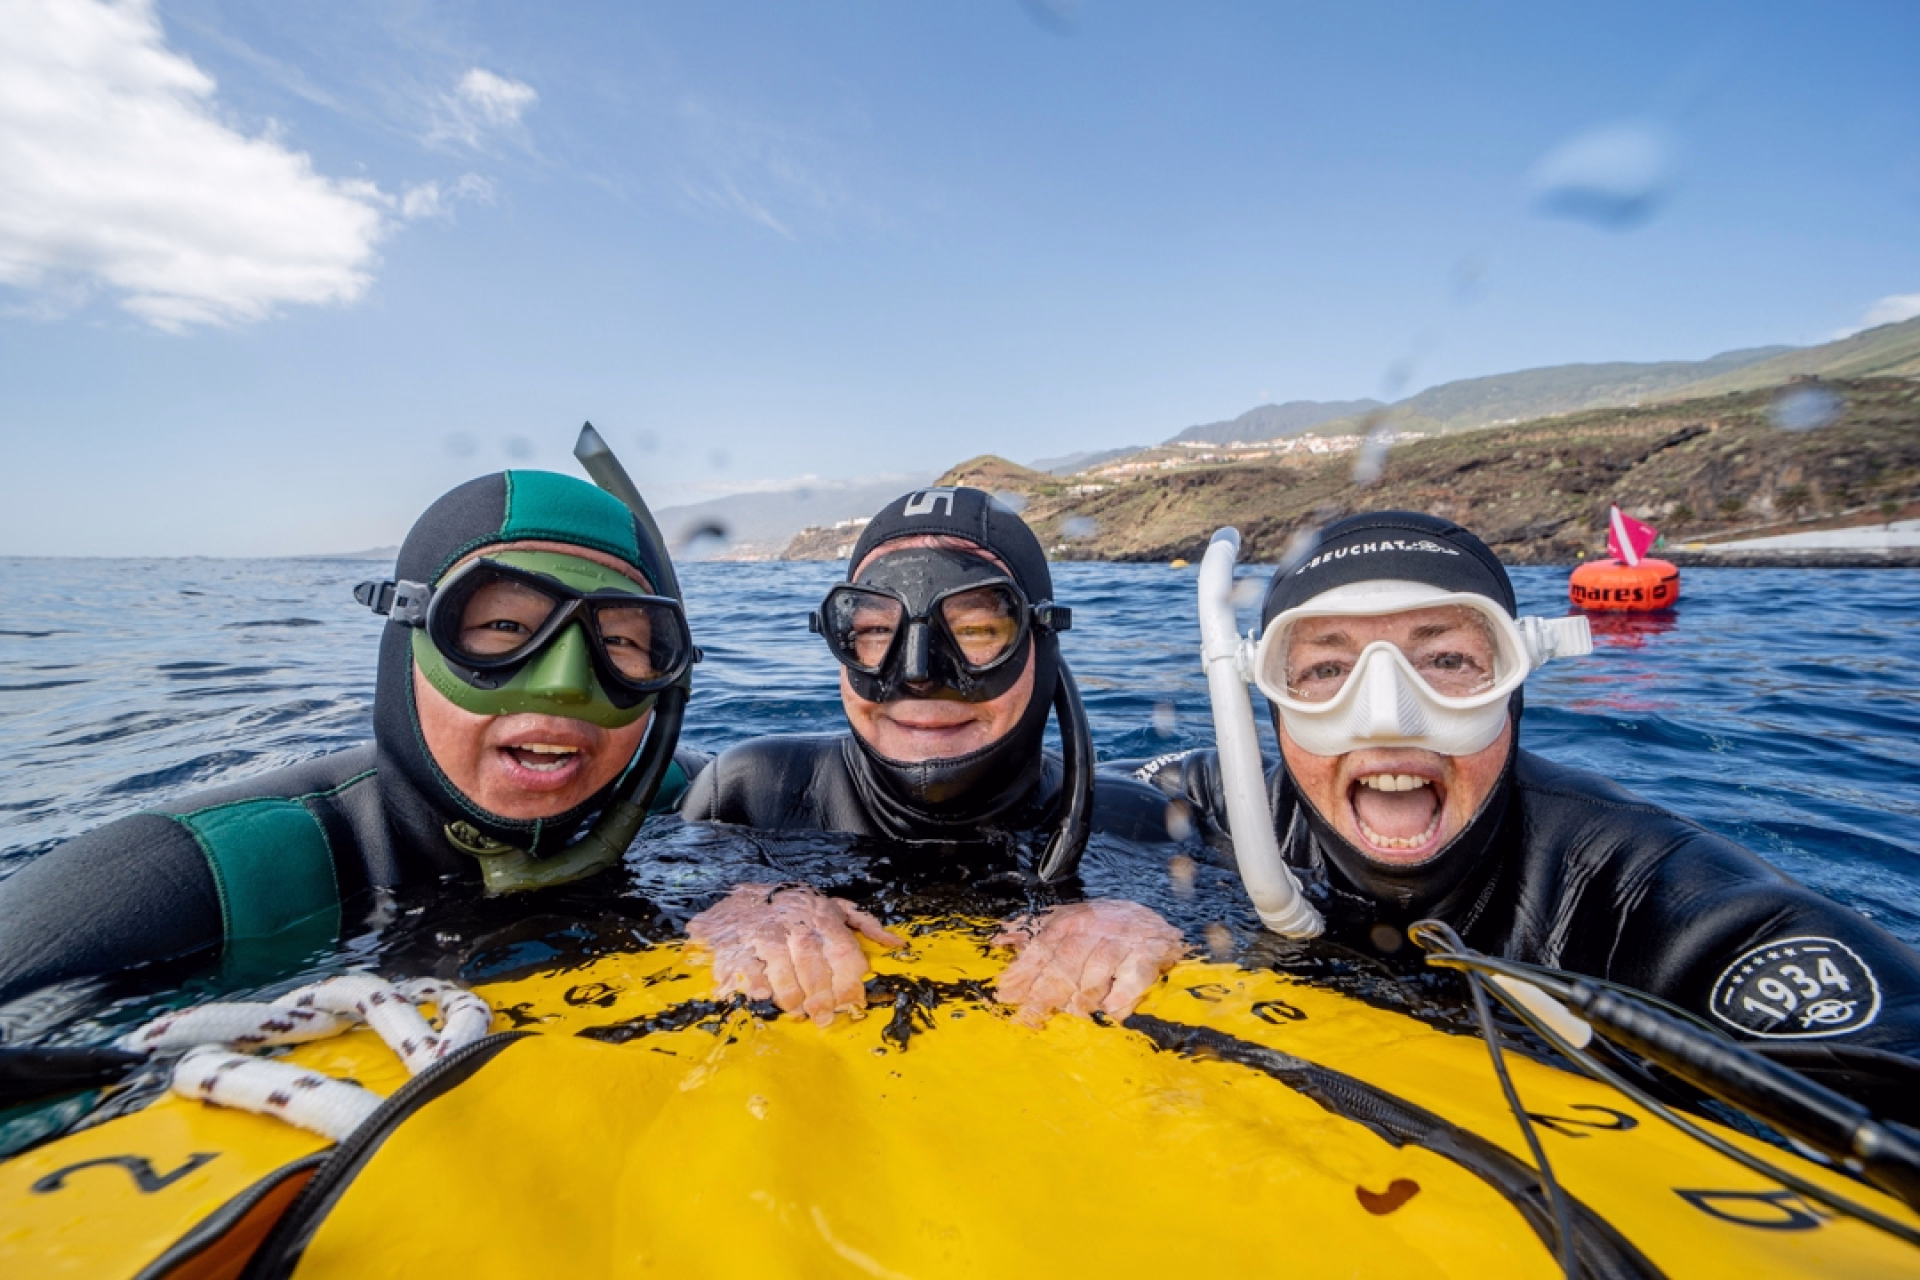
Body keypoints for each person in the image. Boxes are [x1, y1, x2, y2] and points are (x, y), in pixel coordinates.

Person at [1147, 510, 1920, 1103]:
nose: (1387, 716)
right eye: (1324, 670)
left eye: (1447, 660)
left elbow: (1881, 1044)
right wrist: (1108, 910)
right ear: (1266, 696)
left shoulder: (1631, 888)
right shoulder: (1225, 801)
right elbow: (1092, 794)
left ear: (1514, 687)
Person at [0, 470, 699, 1006]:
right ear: (406, 635)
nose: (566, 685)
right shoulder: (199, 880)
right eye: (504, 628)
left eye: (619, 642)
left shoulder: (695, 802)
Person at [680, 485, 1189, 1027]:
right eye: (877, 630)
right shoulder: (748, 794)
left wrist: (1146, 918)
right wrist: (753, 901)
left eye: (976, 629)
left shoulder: (1135, 822)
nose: (919, 673)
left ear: (1042, 643)